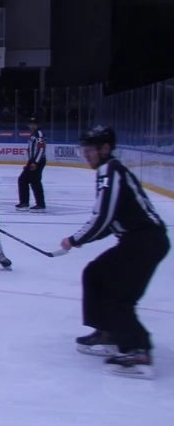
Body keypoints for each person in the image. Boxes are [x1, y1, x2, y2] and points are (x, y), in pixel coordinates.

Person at [61, 126, 169, 379]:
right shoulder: (110, 171)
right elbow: (111, 221)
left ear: (106, 149)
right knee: (95, 273)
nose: (86, 155)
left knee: (118, 295)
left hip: (144, 241)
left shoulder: (110, 171)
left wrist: (75, 239)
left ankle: (138, 350)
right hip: (138, 240)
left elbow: (103, 216)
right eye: (84, 149)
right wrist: (82, 239)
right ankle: (108, 331)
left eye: (90, 150)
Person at [16, 117, 47, 212]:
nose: (32, 126)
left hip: (38, 161)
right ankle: (24, 202)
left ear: (37, 125)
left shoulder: (39, 134)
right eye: (31, 124)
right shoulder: (32, 135)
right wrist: (29, 163)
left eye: (34, 124)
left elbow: (41, 149)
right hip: (32, 161)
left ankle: (40, 204)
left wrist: (35, 162)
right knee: (23, 179)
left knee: (35, 182)